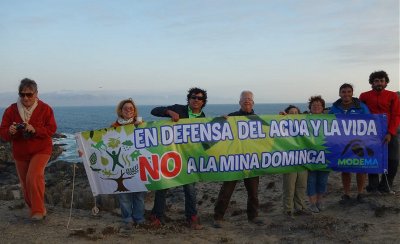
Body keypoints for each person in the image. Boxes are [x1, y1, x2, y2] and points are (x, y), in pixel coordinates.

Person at [149, 87, 207, 230]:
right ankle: (157, 216)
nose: (196, 100)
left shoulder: (203, 118)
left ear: (203, 102)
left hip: (188, 160)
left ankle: (191, 217)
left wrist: (223, 121)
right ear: (189, 99)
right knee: (163, 186)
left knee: (190, 189)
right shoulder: (178, 109)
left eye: (199, 98)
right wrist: (169, 112)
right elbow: (154, 110)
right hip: (170, 156)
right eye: (193, 97)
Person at [0, 78, 57, 221]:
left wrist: (35, 129)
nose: (25, 98)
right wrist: (11, 131)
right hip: (20, 152)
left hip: (41, 149)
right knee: (25, 183)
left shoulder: (45, 109)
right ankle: (36, 208)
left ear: (36, 94)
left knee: (34, 177)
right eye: (22, 94)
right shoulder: (11, 110)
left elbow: (51, 129)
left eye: (29, 94)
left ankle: (37, 211)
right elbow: (3, 133)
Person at [213, 91, 265, 228]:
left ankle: (253, 217)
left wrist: (282, 118)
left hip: (251, 160)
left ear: (253, 102)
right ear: (240, 102)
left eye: (249, 99)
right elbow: (218, 132)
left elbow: (271, 133)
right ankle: (218, 217)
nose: (247, 101)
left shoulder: (258, 118)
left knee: (253, 192)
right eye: (244, 99)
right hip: (234, 160)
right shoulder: (231, 117)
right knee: (226, 191)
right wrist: (219, 120)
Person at [359, 71, 400, 194]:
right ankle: (373, 187)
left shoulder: (393, 96)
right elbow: (360, 113)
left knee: (393, 160)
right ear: (372, 83)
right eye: (376, 81)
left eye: (382, 80)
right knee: (372, 159)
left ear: (386, 82)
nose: (379, 83)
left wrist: (390, 132)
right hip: (371, 134)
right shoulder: (364, 96)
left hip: (390, 132)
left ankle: (386, 186)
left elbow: (396, 115)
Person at [329, 83, 370, 203]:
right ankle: (346, 194)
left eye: (348, 91)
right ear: (339, 93)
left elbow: (370, 122)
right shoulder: (334, 108)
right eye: (343, 92)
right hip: (341, 143)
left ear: (352, 93)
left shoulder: (361, 106)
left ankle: (360, 193)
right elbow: (327, 123)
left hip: (359, 142)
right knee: (345, 168)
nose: (346, 94)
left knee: (360, 168)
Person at [111, 98, 146, 233]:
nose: (128, 110)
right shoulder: (114, 127)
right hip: (122, 167)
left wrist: (140, 126)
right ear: (121, 110)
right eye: (126, 108)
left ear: (134, 110)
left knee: (139, 195)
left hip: (139, 165)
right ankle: (127, 219)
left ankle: (139, 218)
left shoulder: (142, 125)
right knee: (124, 195)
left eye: (131, 108)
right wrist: (84, 150)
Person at [280, 105, 310, 218]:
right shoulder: (282, 125)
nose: (294, 114)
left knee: (301, 186)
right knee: (289, 187)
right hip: (289, 161)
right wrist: (280, 117)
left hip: (303, 160)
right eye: (291, 112)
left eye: (296, 112)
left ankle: (300, 207)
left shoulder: (304, 125)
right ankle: (288, 210)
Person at [306, 95, 330, 213]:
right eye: (313, 105)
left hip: (325, 155)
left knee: (322, 180)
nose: (316, 107)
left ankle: (320, 201)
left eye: (319, 105)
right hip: (309, 156)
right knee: (311, 181)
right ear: (310, 107)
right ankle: (312, 203)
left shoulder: (329, 120)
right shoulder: (303, 119)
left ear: (323, 107)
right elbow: (289, 121)